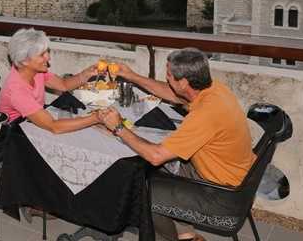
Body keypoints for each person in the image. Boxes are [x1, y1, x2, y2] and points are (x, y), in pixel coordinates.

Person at [97, 48, 256, 241]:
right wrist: (132, 76)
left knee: (140, 190)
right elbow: (172, 94)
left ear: (184, 82)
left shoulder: (205, 114)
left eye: (170, 75)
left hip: (222, 195)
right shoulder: (213, 90)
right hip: (230, 177)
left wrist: (118, 127)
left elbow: (156, 156)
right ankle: (186, 234)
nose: (167, 78)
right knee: (144, 170)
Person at [0, 28, 101, 134]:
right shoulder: (16, 90)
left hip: (32, 122)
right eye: (42, 54)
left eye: (47, 51)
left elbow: (63, 85)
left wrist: (86, 74)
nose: (48, 57)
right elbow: (54, 127)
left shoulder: (36, 72)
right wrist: (96, 118)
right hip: (17, 133)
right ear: (24, 61)